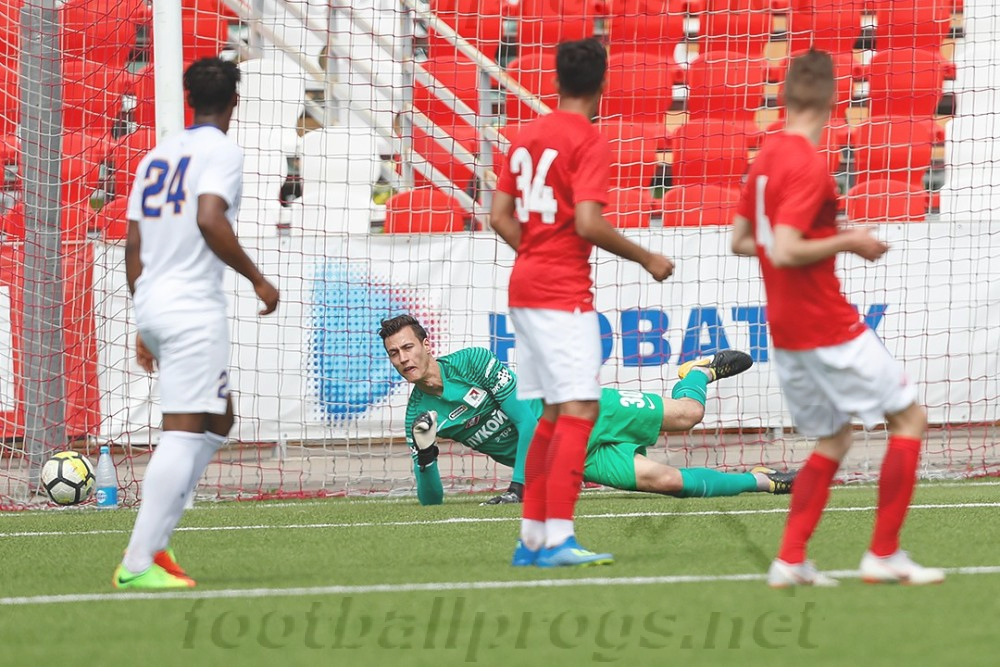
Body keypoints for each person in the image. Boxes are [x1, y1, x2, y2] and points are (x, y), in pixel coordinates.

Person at [731, 50, 944, 587]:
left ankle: (790, 560)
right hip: (827, 324)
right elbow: (784, 248)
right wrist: (849, 240)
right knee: (909, 419)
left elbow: (742, 241)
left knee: (834, 439)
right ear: (834, 99)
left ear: (783, 96)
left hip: (787, 331)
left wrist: (821, 237)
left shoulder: (765, 156)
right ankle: (884, 553)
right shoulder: (806, 162)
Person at [490, 38, 675, 567]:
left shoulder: (526, 136)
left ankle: (532, 541)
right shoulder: (587, 139)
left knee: (551, 411)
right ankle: (559, 538)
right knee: (581, 409)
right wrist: (646, 257)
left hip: (524, 288)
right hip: (561, 294)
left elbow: (498, 216)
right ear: (602, 84)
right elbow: (589, 223)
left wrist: (536, 252)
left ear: (556, 80)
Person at [114, 58, 280, 590]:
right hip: (190, 308)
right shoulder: (222, 151)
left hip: (156, 301)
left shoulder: (156, 155)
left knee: (219, 418)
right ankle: (138, 562)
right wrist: (258, 279)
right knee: (184, 430)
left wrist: (145, 317)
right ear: (235, 100)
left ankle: (156, 543)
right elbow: (210, 217)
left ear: (189, 98)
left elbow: (134, 244)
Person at [379, 315, 795, 508]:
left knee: (689, 415)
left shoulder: (472, 362)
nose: (403, 359)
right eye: (394, 353)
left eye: (408, 347)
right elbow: (431, 501)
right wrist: (426, 454)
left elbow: (528, 422)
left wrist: (520, 487)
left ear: (426, 344)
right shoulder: (419, 416)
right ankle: (765, 481)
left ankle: (696, 373)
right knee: (667, 481)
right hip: (572, 457)